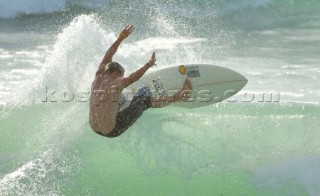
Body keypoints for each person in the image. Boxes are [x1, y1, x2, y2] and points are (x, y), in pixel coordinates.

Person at [89, 25, 192, 138]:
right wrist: (148, 65)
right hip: (112, 130)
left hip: (94, 127)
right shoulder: (116, 82)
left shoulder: (99, 75)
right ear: (118, 73)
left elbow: (109, 54)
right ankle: (178, 97)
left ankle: (128, 97)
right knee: (144, 100)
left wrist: (121, 37)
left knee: (120, 96)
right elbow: (132, 78)